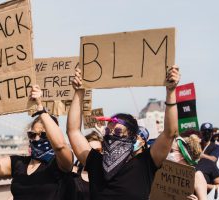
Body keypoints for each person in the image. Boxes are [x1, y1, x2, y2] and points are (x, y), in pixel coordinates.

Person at [67, 66, 180, 200]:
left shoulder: (145, 163)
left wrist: (171, 91)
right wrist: (79, 92)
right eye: (108, 131)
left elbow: (169, 133)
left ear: (133, 136)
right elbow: (73, 131)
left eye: (119, 132)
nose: (111, 135)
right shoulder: (95, 163)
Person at [0, 85, 73, 200]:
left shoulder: (60, 165)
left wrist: (41, 109)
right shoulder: (18, 163)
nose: (36, 139)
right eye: (32, 134)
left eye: (43, 135)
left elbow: (60, 146)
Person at [167, 131, 207, 200]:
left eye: (172, 151)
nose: (168, 154)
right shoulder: (170, 176)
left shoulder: (196, 176)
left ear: (183, 155)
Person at [70, 131, 103, 200]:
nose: (94, 156)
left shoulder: (110, 176)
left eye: (97, 151)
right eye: (90, 152)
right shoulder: (74, 178)